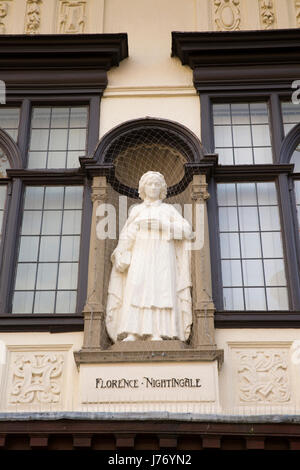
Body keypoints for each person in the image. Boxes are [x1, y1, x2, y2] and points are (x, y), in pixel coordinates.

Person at [105, 171, 193, 343]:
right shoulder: (137, 210)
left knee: (160, 291)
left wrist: (162, 225)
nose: (153, 187)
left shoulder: (168, 210)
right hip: (140, 255)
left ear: (161, 189)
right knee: (136, 289)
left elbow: (187, 231)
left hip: (162, 257)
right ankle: (133, 331)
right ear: (143, 188)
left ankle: (158, 332)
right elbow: (126, 235)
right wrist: (121, 252)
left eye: (156, 184)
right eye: (150, 184)